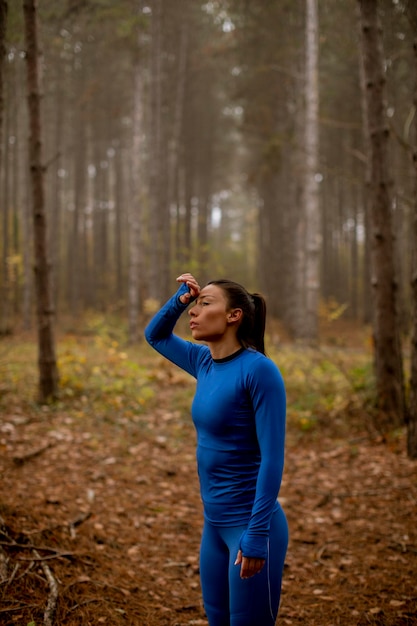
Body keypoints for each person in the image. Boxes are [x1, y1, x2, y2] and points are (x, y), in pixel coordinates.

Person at [144, 272, 288, 626]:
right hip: (214, 524)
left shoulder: (259, 371)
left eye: (204, 304)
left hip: (251, 526)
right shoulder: (203, 361)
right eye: (194, 305)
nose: (194, 312)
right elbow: (155, 335)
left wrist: (256, 535)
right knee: (217, 619)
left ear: (233, 316)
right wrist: (180, 298)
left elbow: (272, 458)